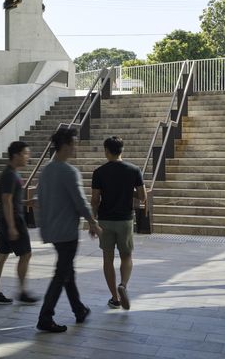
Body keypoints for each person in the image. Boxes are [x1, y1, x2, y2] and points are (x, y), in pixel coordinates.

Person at [36, 126, 102, 333]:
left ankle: (79, 309)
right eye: (73, 144)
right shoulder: (69, 172)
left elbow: (40, 201)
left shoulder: (46, 171)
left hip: (52, 230)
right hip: (67, 232)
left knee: (67, 271)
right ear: (65, 145)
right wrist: (92, 222)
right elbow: (80, 201)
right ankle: (45, 317)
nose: (75, 148)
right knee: (61, 274)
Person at [91, 136, 146, 311]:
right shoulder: (134, 170)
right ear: (122, 150)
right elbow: (143, 197)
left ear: (106, 151)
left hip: (105, 220)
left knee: (108, 258)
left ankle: (115, 298)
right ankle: (123, 285)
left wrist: (92, 221)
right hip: (125, 220)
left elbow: (95, 199)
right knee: (126, 256)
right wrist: (128, 191)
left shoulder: (99, 172)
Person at [0, 140, 38, 305]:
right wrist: (11, 226)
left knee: (2, 254)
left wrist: (26, 203)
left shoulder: (11, 173)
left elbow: (11, 200)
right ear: (16, 155)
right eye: (25, 153)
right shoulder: (10, 175)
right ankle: (22, 292)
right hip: (12, 219)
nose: (27, 157)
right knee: (26, 254)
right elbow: (6, 200)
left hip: (3, 218)